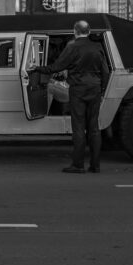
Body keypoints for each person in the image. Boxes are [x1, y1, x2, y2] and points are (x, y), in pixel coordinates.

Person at [35, 20, 110, 174]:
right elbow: (106, 72)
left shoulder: (73, 47)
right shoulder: (98, 47)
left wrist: (38, 68)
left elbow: (56, 67)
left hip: (78, 90)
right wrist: (102, 90)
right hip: (95, 89)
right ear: (88, 32)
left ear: (75, 31)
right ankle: (95, 166)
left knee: (78, 127)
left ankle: (78, 165)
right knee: (94, 128)